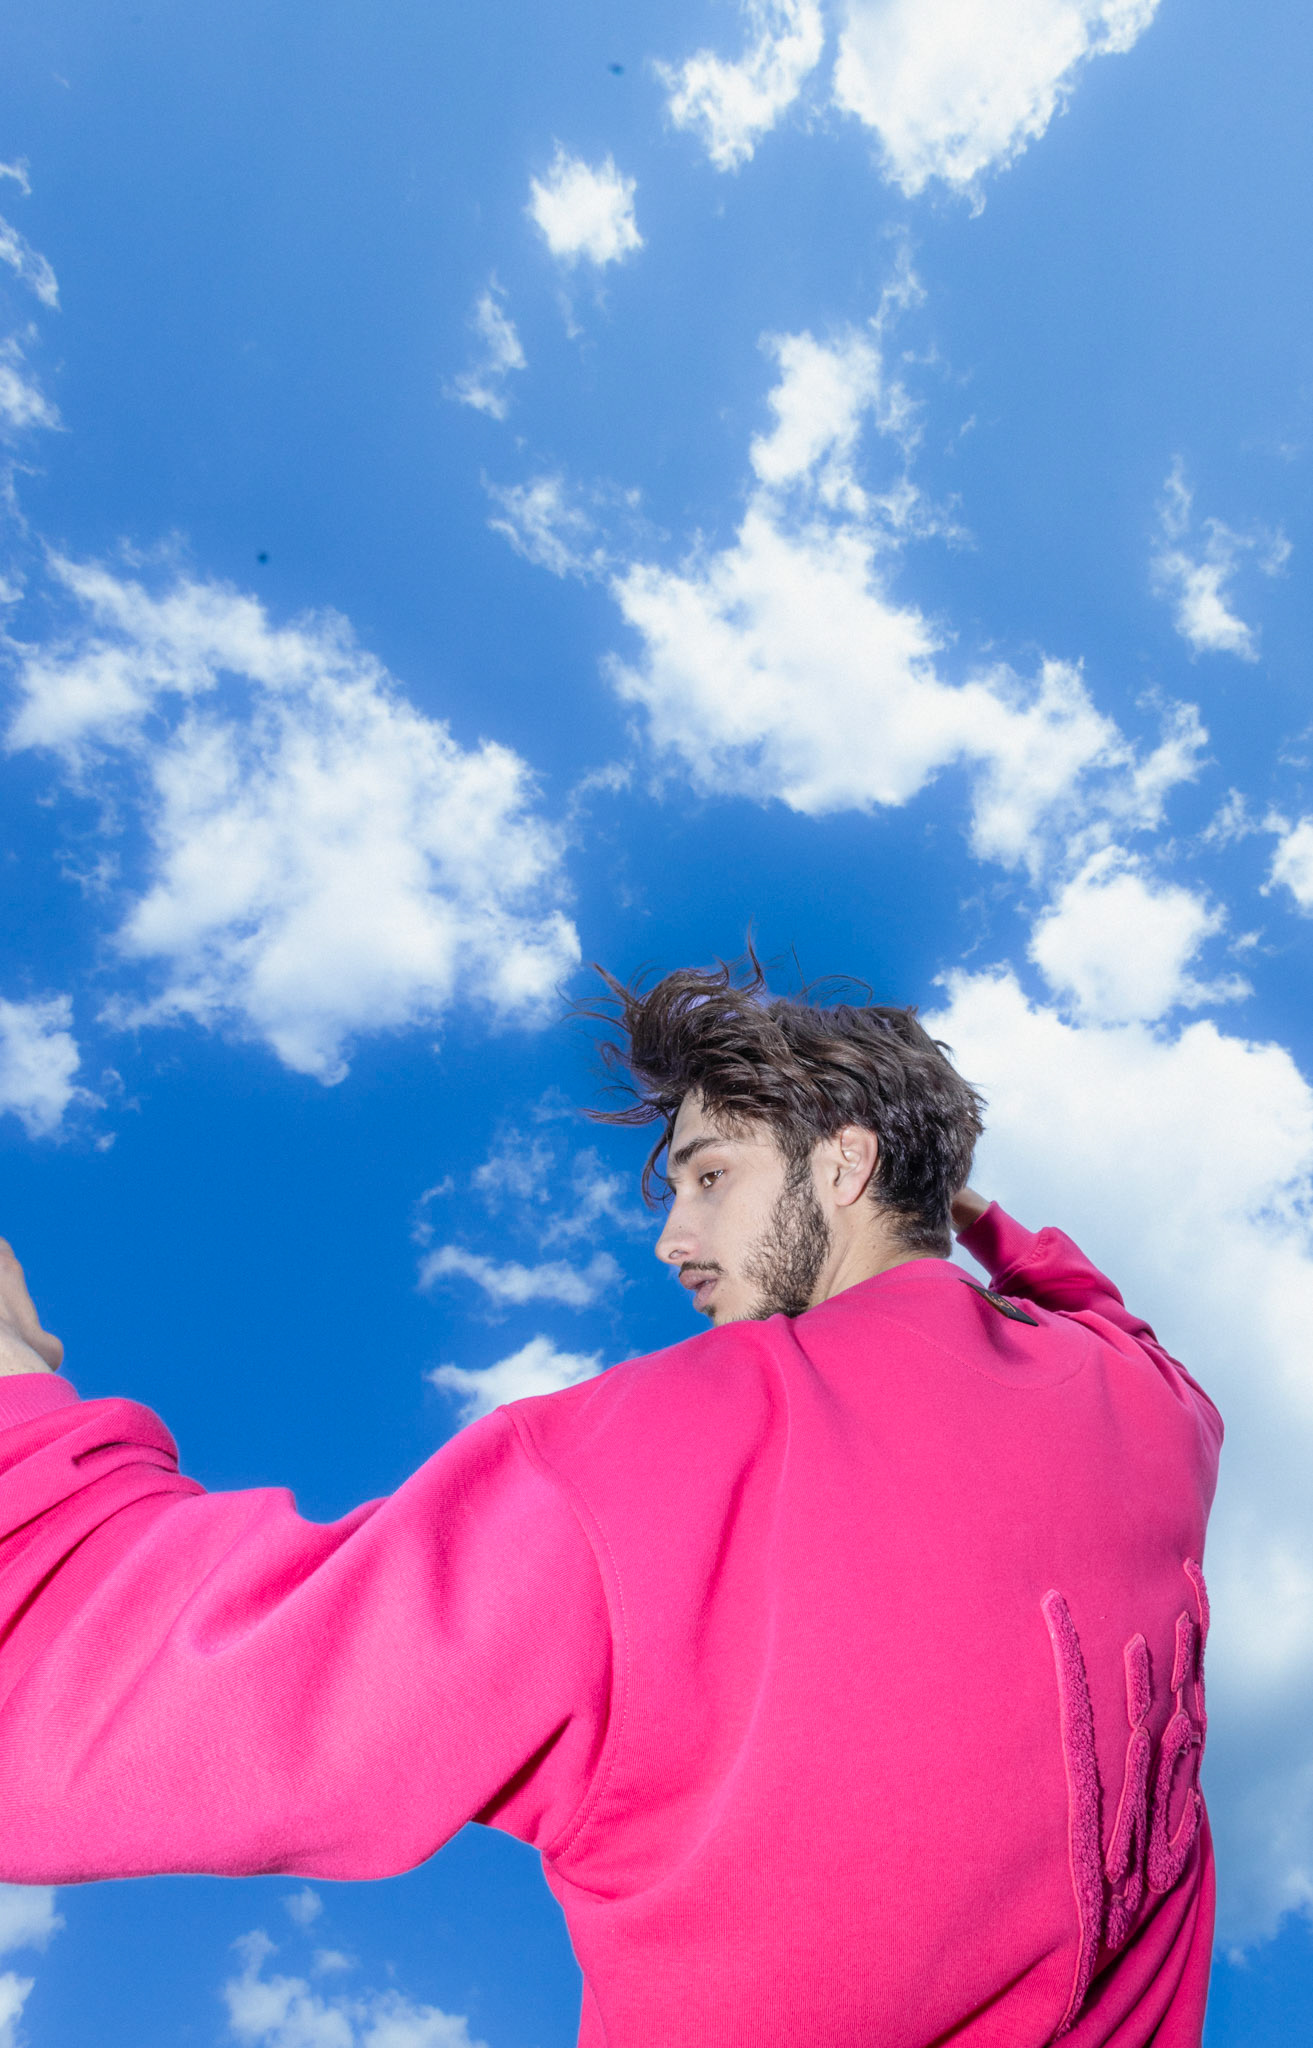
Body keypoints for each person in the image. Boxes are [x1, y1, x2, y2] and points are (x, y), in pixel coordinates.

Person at [0, 958, 1221, 2047]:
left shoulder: (650, 1459)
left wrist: (16, 1395)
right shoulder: (1149, 1409)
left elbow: (96, 1714)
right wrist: (976, 1218)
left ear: (844, 1162)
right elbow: (1102, 1312)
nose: (671, 1238)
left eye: (709, 1176)